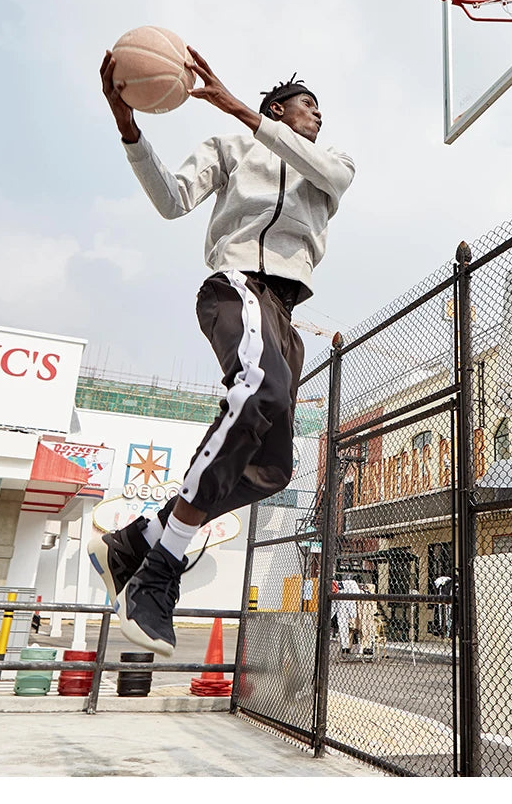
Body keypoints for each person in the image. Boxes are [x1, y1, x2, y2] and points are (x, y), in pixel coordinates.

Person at [88, 47, 355, 656]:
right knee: (261, 386)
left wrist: (234, 103)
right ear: (277, 111)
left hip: (284, 310)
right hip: (235, 286)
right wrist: (128, 124)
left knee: (272, 467)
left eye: (318, 108)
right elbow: (171, 199)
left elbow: (333, 177)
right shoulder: (231, 149)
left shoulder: (330, 163)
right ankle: (157, 576)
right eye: (306, 105)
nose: (317, 115)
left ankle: (134, 541)